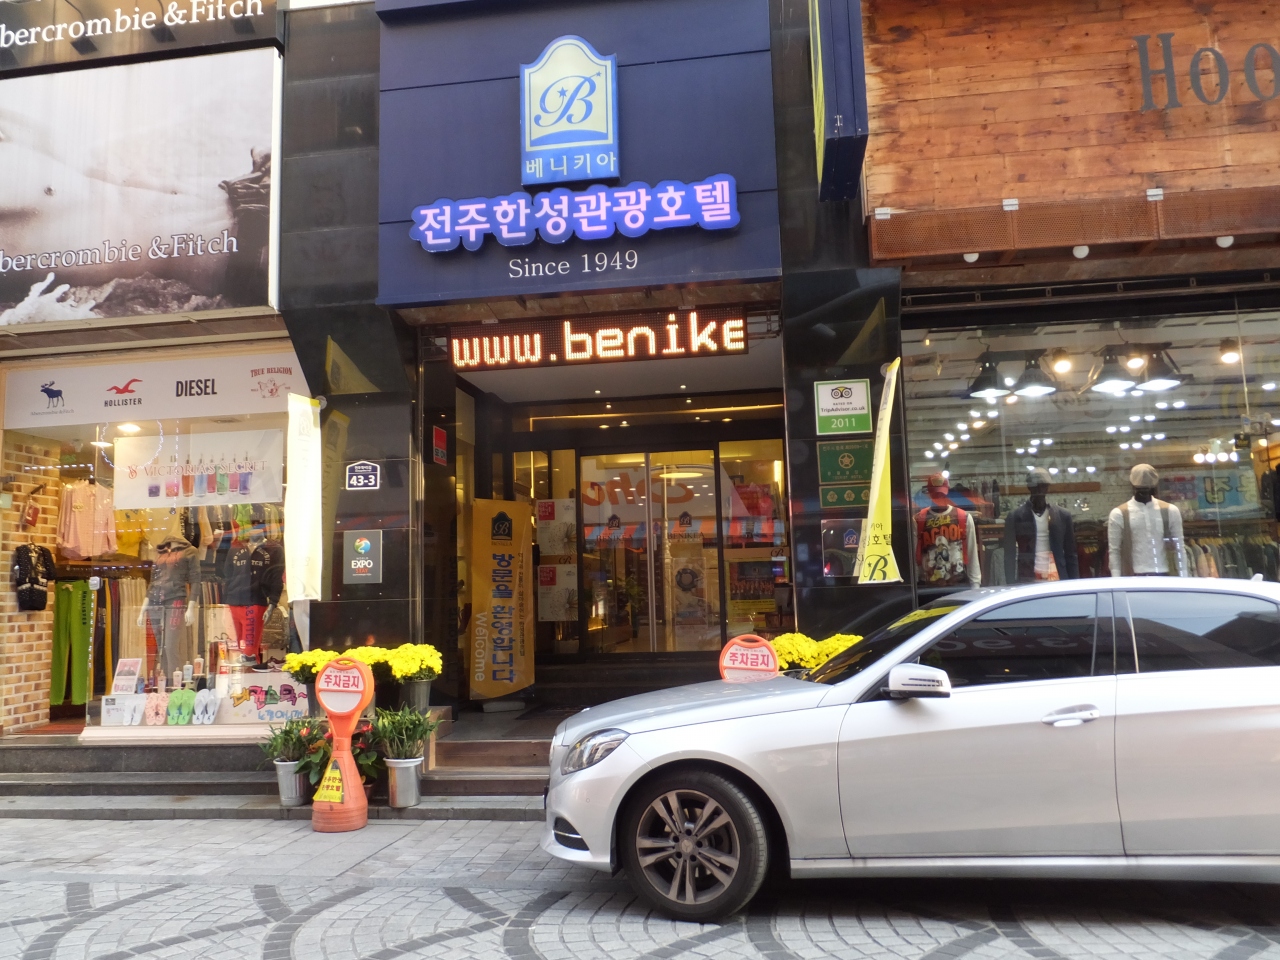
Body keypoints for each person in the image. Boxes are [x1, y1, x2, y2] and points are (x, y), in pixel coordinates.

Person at [1107, 463, 1187, 577]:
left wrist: (1184, 577)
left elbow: (1179, 547)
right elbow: (1114, 551)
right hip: (1133, 576)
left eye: (1147, 488)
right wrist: (1117, 580)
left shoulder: (1170, 511)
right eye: (1140, 488)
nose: (1144, 492)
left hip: (1165, 574)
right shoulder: (1118, 514)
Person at [1003, 467, 1079, 582]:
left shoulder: (1063, 516)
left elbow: (1071, 554)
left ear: (1048, 487)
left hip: (1058, 576)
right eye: (1036, 486)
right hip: (1028, 575)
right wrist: (1011, 584)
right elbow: (1009, 555)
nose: (1039, 489)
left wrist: (1074, 583)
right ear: (1029, 487)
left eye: (1043, 485)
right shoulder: (1015, 517)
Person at [914, 473, 980, 588]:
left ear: (948, 491)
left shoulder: (963, 518)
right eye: (935, 494)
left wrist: (975, 585)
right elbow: (914, 556)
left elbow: (972, 553)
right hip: (928, 587)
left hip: (958, 584)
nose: (939, 498)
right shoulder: (919, 520)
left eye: (942, 494)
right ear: (929, 493)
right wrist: (915, 585)